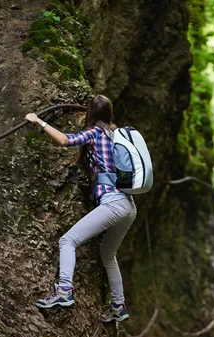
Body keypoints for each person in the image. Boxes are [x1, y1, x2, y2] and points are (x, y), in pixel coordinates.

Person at [24, 95, 136, 323]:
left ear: (92, 114)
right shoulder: (116, 135)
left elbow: (66, 141)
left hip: (113, 203)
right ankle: (118, 306)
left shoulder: (95, 133)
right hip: (129, 206)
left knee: (68, 241)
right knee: (108, 255)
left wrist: (39, 121)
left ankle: (64, 291)